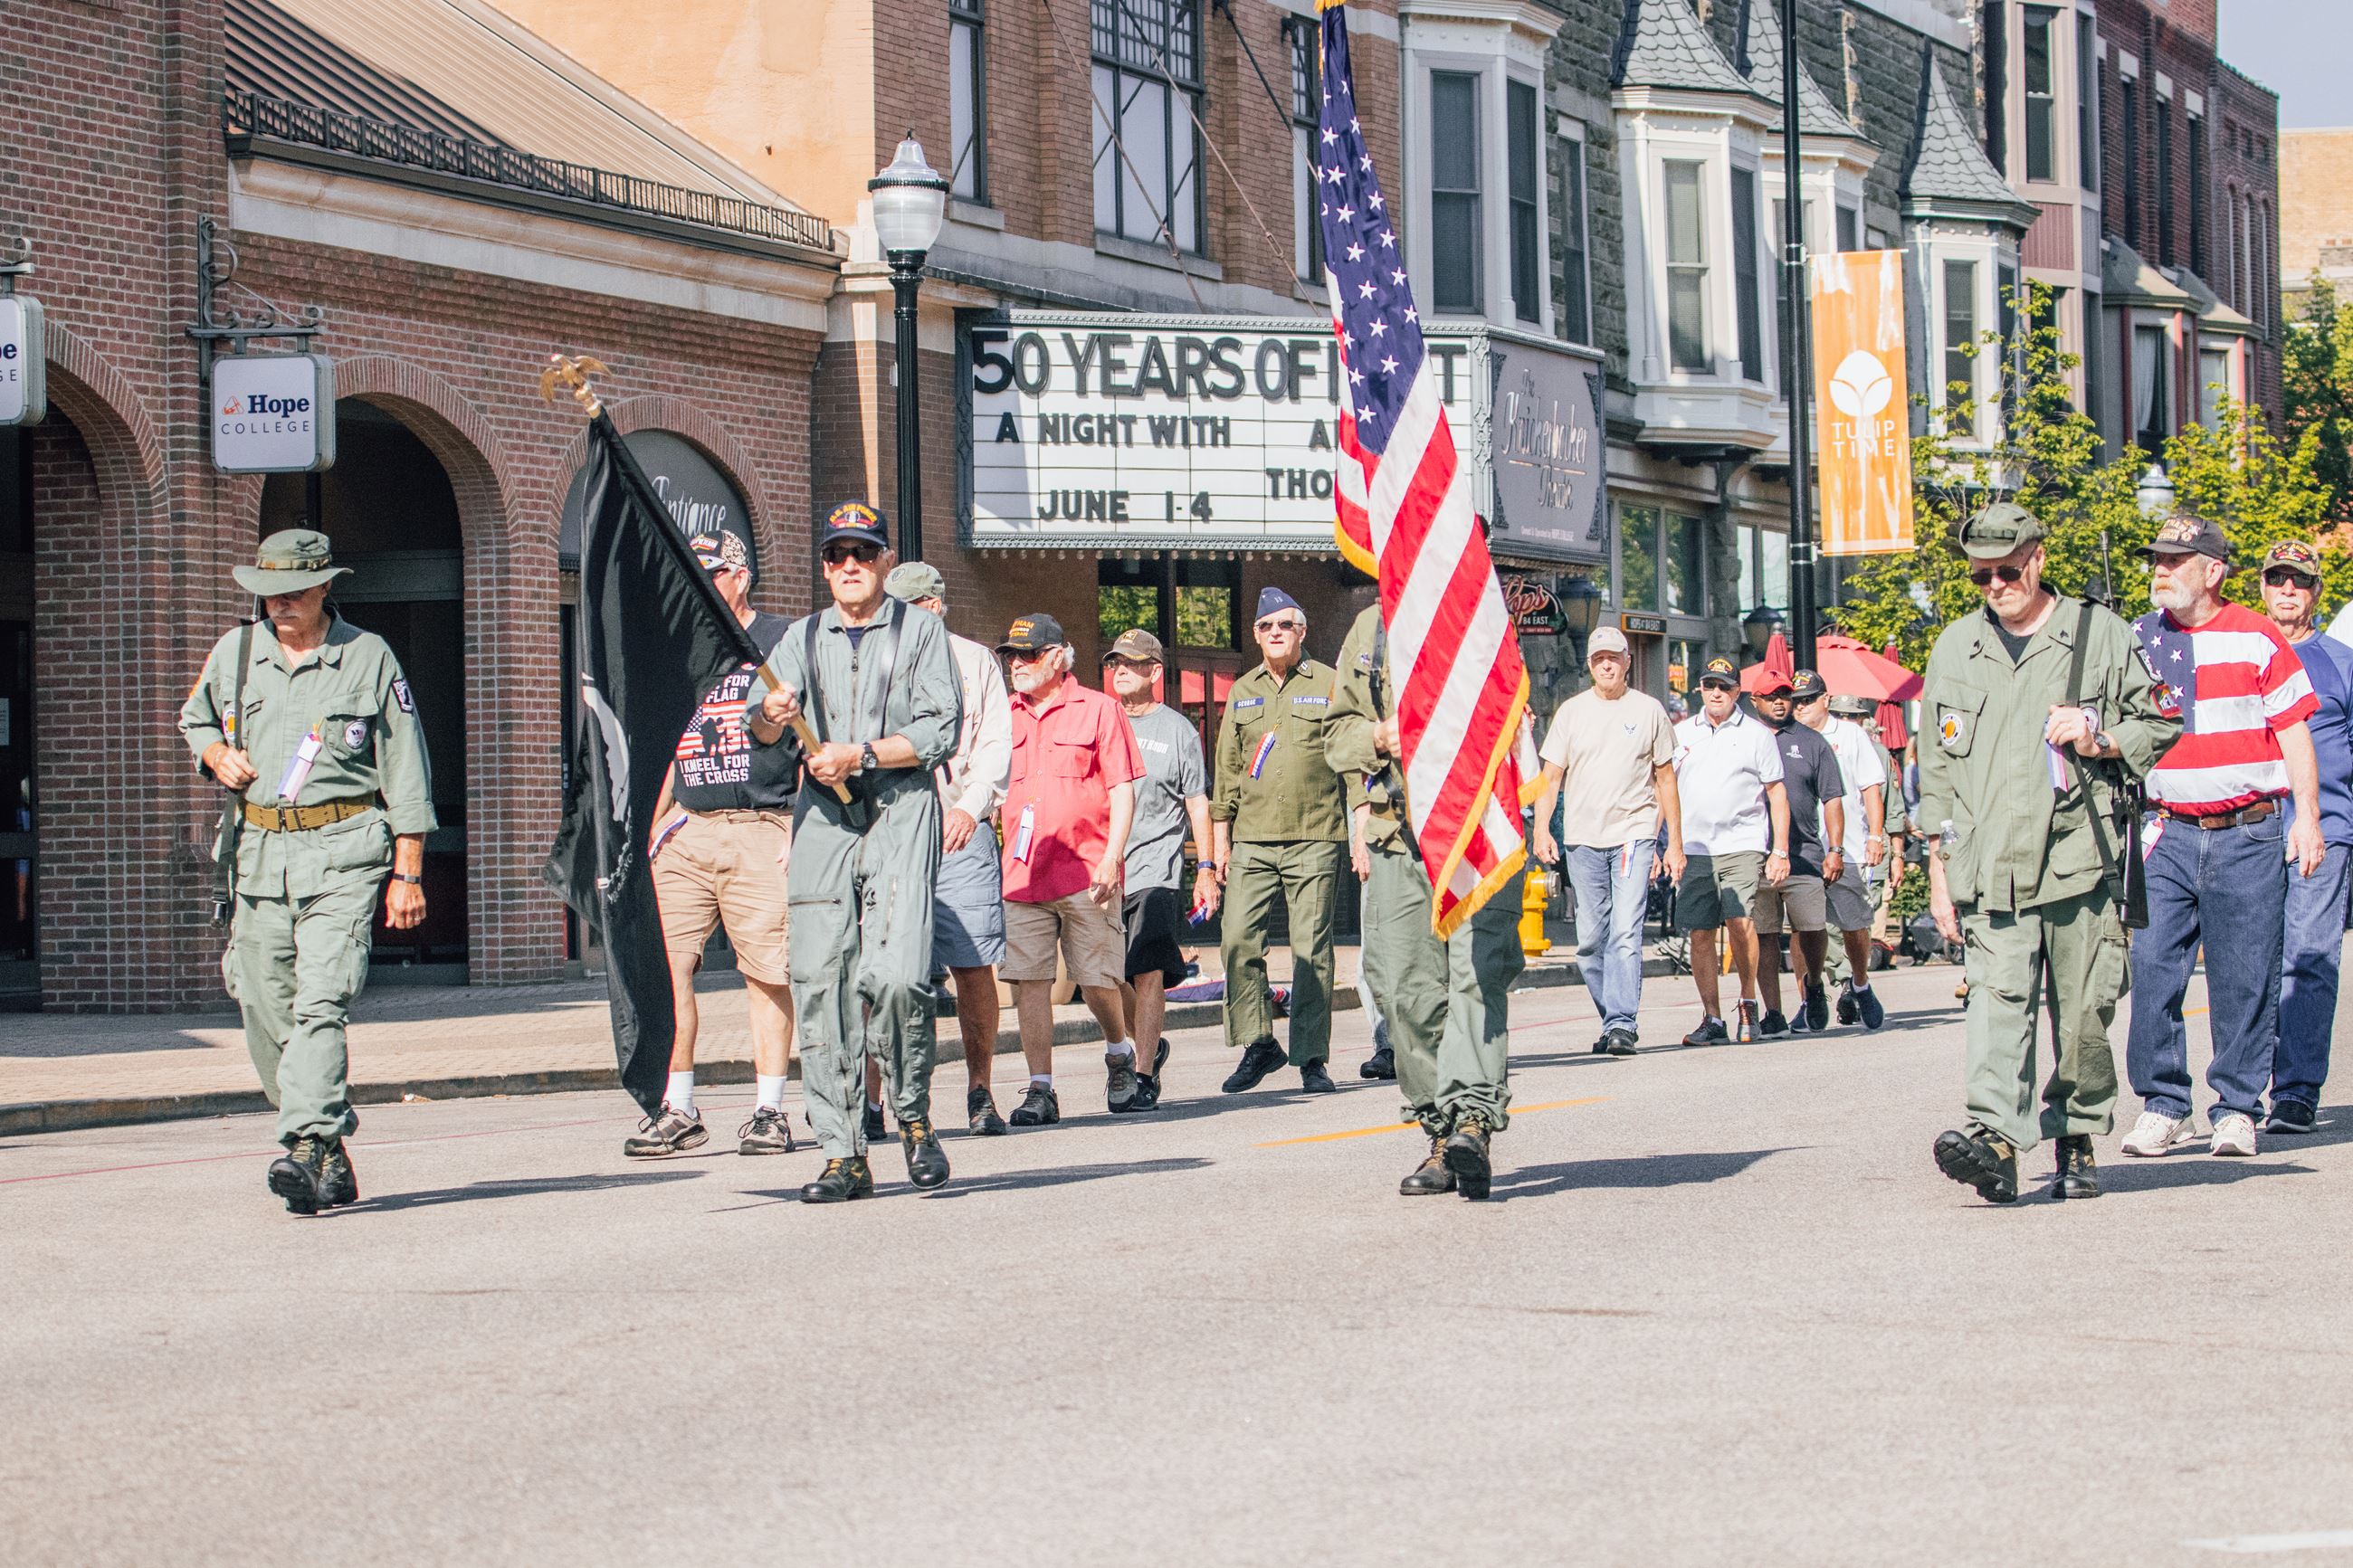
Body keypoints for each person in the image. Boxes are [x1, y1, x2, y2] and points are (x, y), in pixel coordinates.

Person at [1920, 503, 2177, 1204]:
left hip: (2077, 858)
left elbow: (2161, 718)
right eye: (1981, 576)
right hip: (1990, 865)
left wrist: (2098, 734)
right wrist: (1939, 876)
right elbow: (1936, 775)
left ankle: (2076, 1132)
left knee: (2084, 1013)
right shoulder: (1954, 649)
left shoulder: (2101, 634)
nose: (1996, 585)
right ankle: (1997, 1140)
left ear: (2037, 558)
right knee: (1998, 1005)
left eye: (2008, 570)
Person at [178, 529, 436, 1214]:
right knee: (264, 1010)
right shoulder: (237, 652)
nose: (278, 603)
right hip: (258, 857)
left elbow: (406, 768)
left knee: (322, 1000)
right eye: (267, 592)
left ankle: (302, 1141)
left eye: (292, 590)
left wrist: (407, 871)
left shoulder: (366, 657)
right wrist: (213, 755)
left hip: (344, 853)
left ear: (327, 586)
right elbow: (194, 717)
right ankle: (330, 1147)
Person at [748, 502, 960, 1202]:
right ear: (823, 566)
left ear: (883, 562)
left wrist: (859, 753)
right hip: (821, 824)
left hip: (900, 808)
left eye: (862, 554)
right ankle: (842, 1153)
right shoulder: (800, 639)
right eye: (836, 554)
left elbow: (940, 729)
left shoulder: (923, 631)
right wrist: (771, 719)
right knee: (818, 980)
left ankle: (912, 1115)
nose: (848, 566)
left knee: (896, 975)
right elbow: (758, 723)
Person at [2121, 514, 2323, 1160]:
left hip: (2248, 830)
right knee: (2153, 969)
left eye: (2175, 560)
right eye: (2157, 559)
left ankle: (2237, 1106)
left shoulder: (2259, 637)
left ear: (2213, 571)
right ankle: (2163, 1103)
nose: (2160, 570)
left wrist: (2310, 817)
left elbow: (2294, 729)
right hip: (2166, 832)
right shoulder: (2141, 638)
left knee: (2243, 976)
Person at [1327, 601, 1524, 1199]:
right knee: (1403, 989)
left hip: (1477, 833)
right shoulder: (1372, 626)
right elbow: (1337, 734)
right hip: (1397, 832)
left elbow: (1510, 716)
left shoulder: (1482, 611)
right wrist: (1377, 734)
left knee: (1475, 977)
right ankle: (1439, 1128)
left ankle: (1470, 1123)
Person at [625, 522, 801, 1159]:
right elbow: (673, 740)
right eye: (695, 576)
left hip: (763, 822)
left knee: (766, 971)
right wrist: (656, 823)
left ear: (741, 574)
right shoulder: (681, 646)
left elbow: (817, 736)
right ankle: (677, 1105)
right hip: (690, 828)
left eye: (715, 573)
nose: (704, 585)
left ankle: (769, 1108)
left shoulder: (786, 639)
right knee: (668, 970)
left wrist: (801, 825)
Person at [991, 613, 1141, 1126]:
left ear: (1058, 657)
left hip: (1086, 871)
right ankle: (1040, 1089)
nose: (1017, 664)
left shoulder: (1099, 709)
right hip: (1022, 873)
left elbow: (1122, 787)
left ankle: (1120, 1052)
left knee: (1097, 980)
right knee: (1029, 981)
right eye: (1011, 655)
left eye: (1028, 654)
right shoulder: (1001, 714)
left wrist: (1112, 855)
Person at [882, 562, 1015, 1136]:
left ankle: (980, 1091)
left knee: (971, 961)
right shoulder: (876, 657)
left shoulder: (974, 660)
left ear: (934, 606)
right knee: (884, 968)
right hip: (890, 828)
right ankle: (876, 1100)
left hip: (959, 825)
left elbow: (995, 742)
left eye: (906, 607)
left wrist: (972, 805)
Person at [1211, 586, 1348, 1095]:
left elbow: (1353, 761)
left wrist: (1359, 832)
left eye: (1284, 626)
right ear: (1255, 635)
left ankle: (1311, 1057)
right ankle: (1258, 1042)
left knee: (1312, 949)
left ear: (1301, 632)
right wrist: (1219, 845)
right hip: (1252, 839)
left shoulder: (1331, 684)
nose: (1274, 634)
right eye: (1266, 627)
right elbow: (1226, 772)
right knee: (1237, 941)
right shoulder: (1243, 690)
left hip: (1315, 835)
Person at [1530, 625, 1682, 1057]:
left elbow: (1666, 779)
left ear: (1627, 662)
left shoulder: (1650, 710)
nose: (1607, 665)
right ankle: (1612, 1017)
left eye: (1614, 657)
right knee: (1589, 943)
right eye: (1599, 659)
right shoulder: (1572, 713)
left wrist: (1673, 843)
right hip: (1582, 840)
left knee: (1625, 932)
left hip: (1633, 835)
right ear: (1591, 665)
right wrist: (1542, 830)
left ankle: (1622, 1023)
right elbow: (1551, 779)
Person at [1102, 628, 1218, 1110]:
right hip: (1106, 868)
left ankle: (1144, 1071)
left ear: (1155, 672)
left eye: (1131, 663)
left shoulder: (1178, 731)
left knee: (1147, 969)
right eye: (1115, 663)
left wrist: (1206, 867)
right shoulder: (1100, 720)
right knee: (1109, 976)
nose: (1121, 671)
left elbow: (1197, 802)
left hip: (1155, 867)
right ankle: (1147, 1040)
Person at [2261, 538, 2353, 1136]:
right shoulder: (2241, 654)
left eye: (2299, 581)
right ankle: (2239, 1094)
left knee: (2309, 957)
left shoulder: (2340, 661)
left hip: (2328, 829)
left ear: (2317, 591)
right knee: (2252, 964)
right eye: (2278, 580)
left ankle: (2295, 1091)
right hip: (2247, 827)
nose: (2288, 590)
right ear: (2262, 588)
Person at [1671, 658, 1791, 1045]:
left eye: (1724, 687)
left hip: (1742, 843)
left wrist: (1780, 850)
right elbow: (1664, 791)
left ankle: (1748, 1002)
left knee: (1741, 922)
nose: (1716, 693)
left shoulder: (1758, 735)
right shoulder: (1682, 733)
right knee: (1701, 932)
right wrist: (1665, 845)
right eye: (1709, 686)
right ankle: (1712, 1018)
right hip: (1695, 847)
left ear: (1738, 692)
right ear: (1700, 689)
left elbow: (1776, 793)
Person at [1746, 672, 1844, 1036]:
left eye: (1785, 695)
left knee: (1811, 928)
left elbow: (1833, 798)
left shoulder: (1812, 742)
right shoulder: (1744, 739)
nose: (1779, 701)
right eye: (1770, 696)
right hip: (1756, 853)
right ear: (1754, 700)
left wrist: (1834, 849)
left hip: (1804, 852)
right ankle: (1773, 1010)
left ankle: (1814, 986)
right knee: (1764, 933)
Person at [1791, 672, 1889, 1031]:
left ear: (1825, 699)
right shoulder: (1787, 736)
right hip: (1802, 847)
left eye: (1808, 699)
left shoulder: (1849, 735)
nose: (1801, 707)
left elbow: (1870, 789)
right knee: (1804, 928)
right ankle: (1809, 997)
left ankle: (1860, 983)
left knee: (1854, 924)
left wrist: (1875, 836)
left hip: (1845, 848)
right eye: (1797, 700)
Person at [1819, 693, 1908, 1005]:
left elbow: (1892, 807)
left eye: (1853, 716)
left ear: (1863, 720)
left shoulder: (1879, 753)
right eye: (1840, 714)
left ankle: (1857, 981)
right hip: (1822, 847)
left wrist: (1895, 852)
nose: (1847, 721)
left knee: (1858, 921)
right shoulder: (1813, 740)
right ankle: (1844, 982)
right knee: (1824, 925)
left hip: (1863, 850)